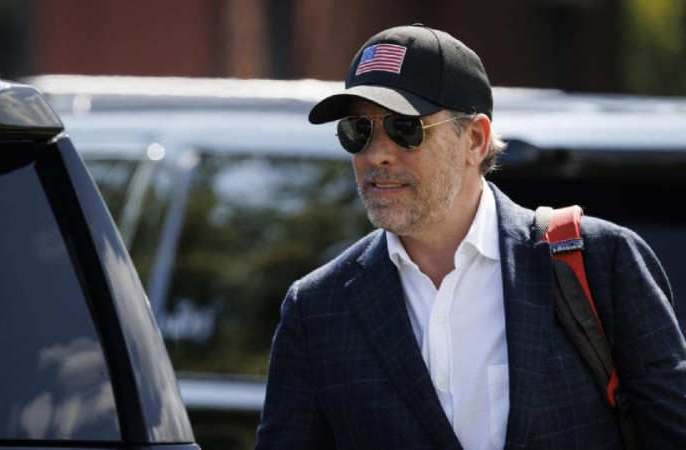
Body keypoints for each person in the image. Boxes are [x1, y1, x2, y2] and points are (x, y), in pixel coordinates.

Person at [254, 24, 686, 449]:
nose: (377, 154)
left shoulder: (603, 262)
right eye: (358, 130)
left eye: (405, 128)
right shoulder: (316, 309)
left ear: (475, 140)